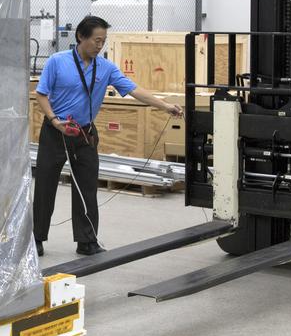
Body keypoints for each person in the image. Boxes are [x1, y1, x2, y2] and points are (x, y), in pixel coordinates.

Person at [32, 15, 182, 257]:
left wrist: (164, 106)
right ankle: (37, 238)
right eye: (96, 40)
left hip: (84, 133)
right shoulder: (57, 62)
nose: (100, 46)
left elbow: (134, 90)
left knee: (87, 187)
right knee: (45, 186)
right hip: (56, 131)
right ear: (81, 37)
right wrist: (53, 120)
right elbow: (41, 94)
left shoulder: (106, 68)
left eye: (103, 41)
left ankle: (87, 241)